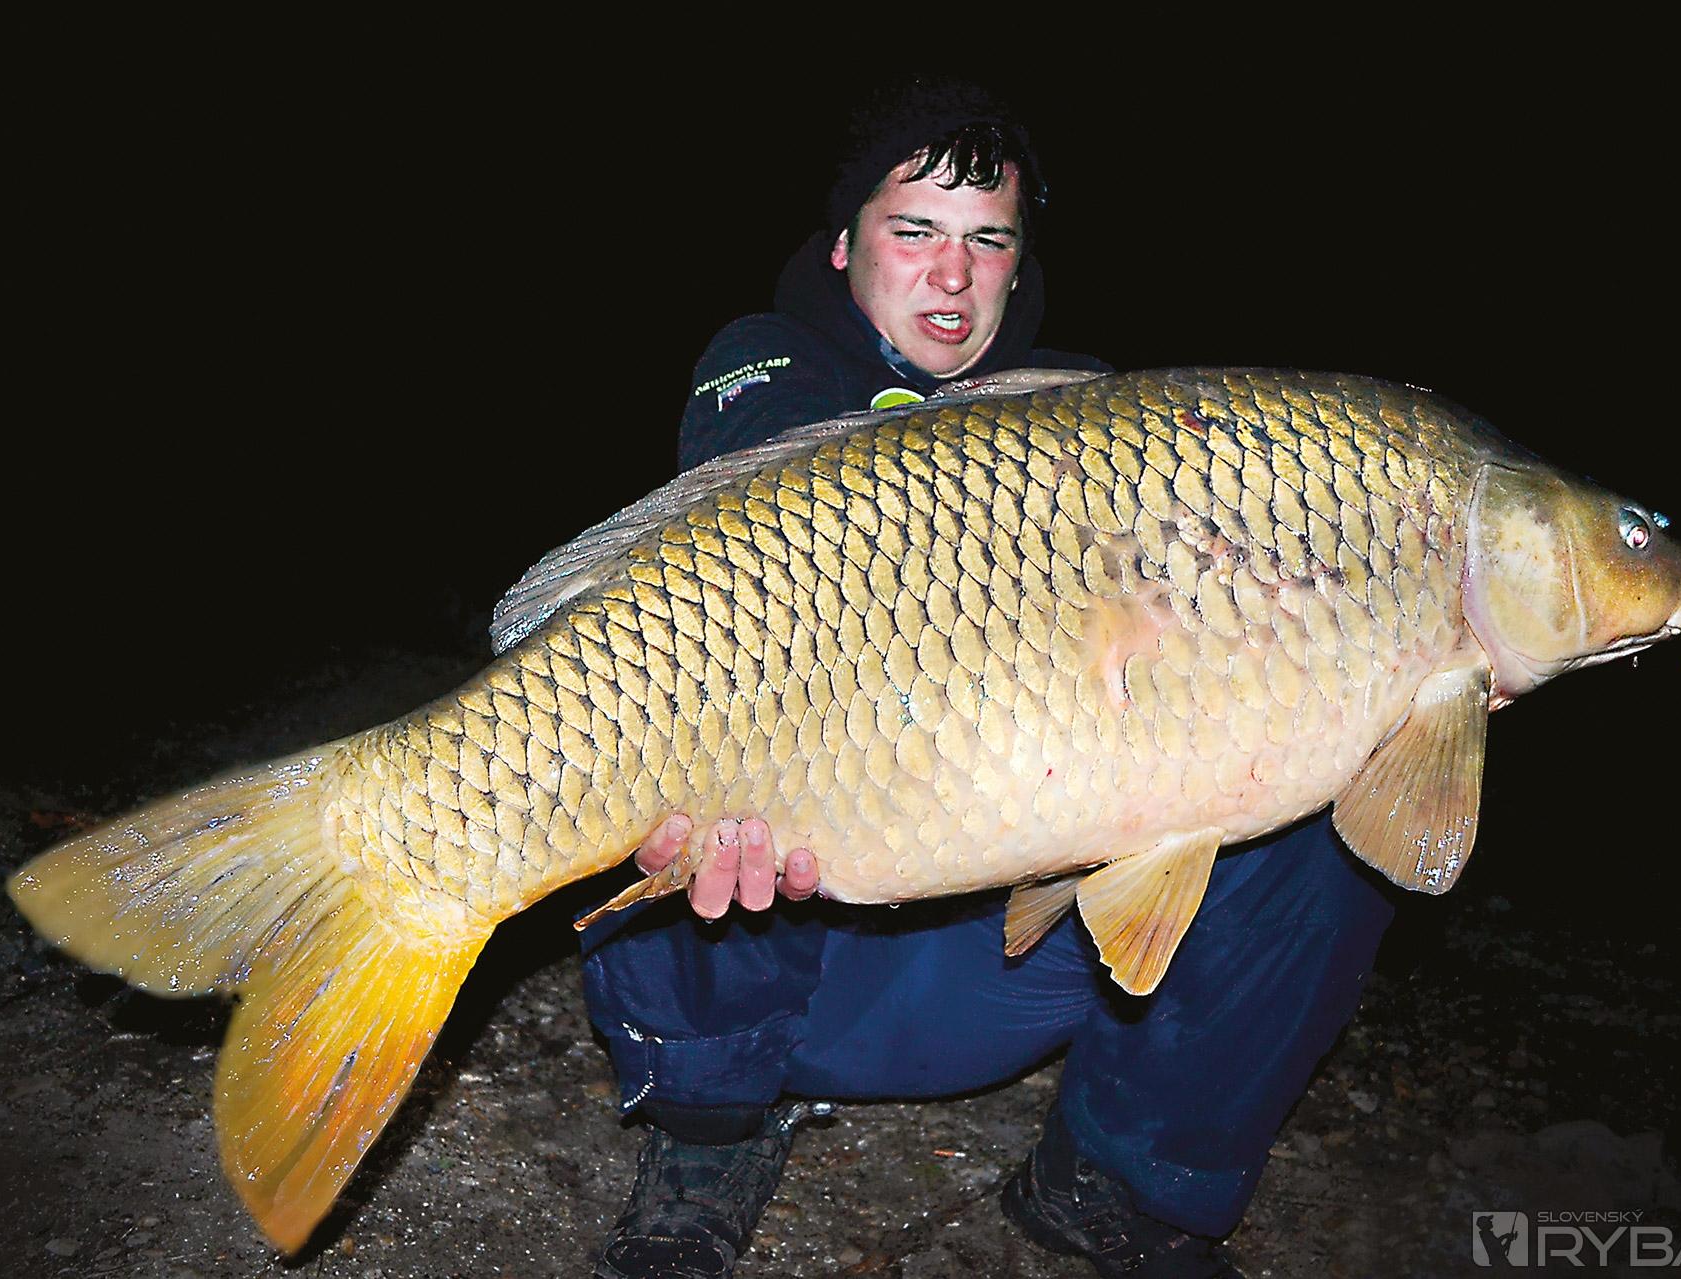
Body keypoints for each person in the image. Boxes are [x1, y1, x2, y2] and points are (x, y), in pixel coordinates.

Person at [573, 80, 1397, 1279]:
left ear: (1019, 263)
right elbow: (768, 523)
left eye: (988, 240)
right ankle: (710, 1136)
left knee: (1320, 797)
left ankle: (1119, 1172)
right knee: (668, 718)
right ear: (844, 243)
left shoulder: (1094, 407)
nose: (952, 275)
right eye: (915, 231)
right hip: (783, 949)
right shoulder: (763, 363)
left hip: (993, 973)